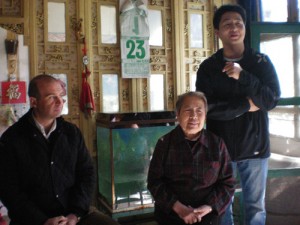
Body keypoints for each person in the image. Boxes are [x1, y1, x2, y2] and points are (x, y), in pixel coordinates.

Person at [196, 4, 281, 225]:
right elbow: (208, 108)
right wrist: (246, 105)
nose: (234, 28)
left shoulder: (260, 62)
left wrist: (243, 75)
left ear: (244, 28)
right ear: (217, 32)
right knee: (222, 209)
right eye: (227, 24)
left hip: (255, 148)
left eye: (238, 23)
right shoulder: (208, 68)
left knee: (255, 209)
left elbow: (270, 99)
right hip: (220, 149)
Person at [0, 74, 120, 225]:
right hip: (33, 219)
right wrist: (42, 221)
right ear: (34, 102)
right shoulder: (12, 138)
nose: (60, 102)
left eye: (61, 96)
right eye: (51, 97)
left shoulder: (71, 132)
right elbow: (9, 190)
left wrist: (75, 214)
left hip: (73, 213)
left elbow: (87, 174)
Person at [147, 91, 235, 225]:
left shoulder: (217, 144)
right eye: (188, 110)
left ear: (205, 116)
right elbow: (154, 182)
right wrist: (179, 209)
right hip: (172, 216)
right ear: (177, 114)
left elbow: (228, 183)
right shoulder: (164, 144)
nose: (194, 116)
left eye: (199, 111)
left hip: (208, 217)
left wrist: (209, 206)